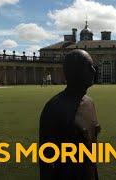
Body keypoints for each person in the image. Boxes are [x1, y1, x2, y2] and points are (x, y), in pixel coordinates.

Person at [39, 49, 101, 180]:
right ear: (75, 72)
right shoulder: (54, 108)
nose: (94, 71)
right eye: (89, 67)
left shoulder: (90, 103)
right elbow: (46, 162)